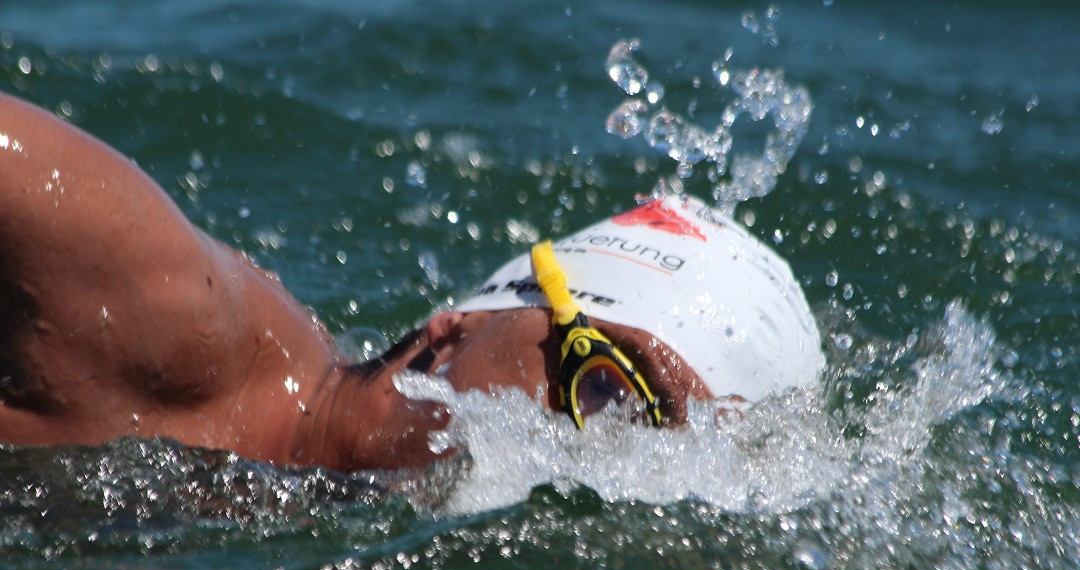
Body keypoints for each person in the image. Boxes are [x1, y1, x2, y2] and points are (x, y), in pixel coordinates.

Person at [0, 91, 824, 473]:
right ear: (447, 336)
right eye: (603, 382)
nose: (593, 452)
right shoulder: (167, 311)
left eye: (654, 451)